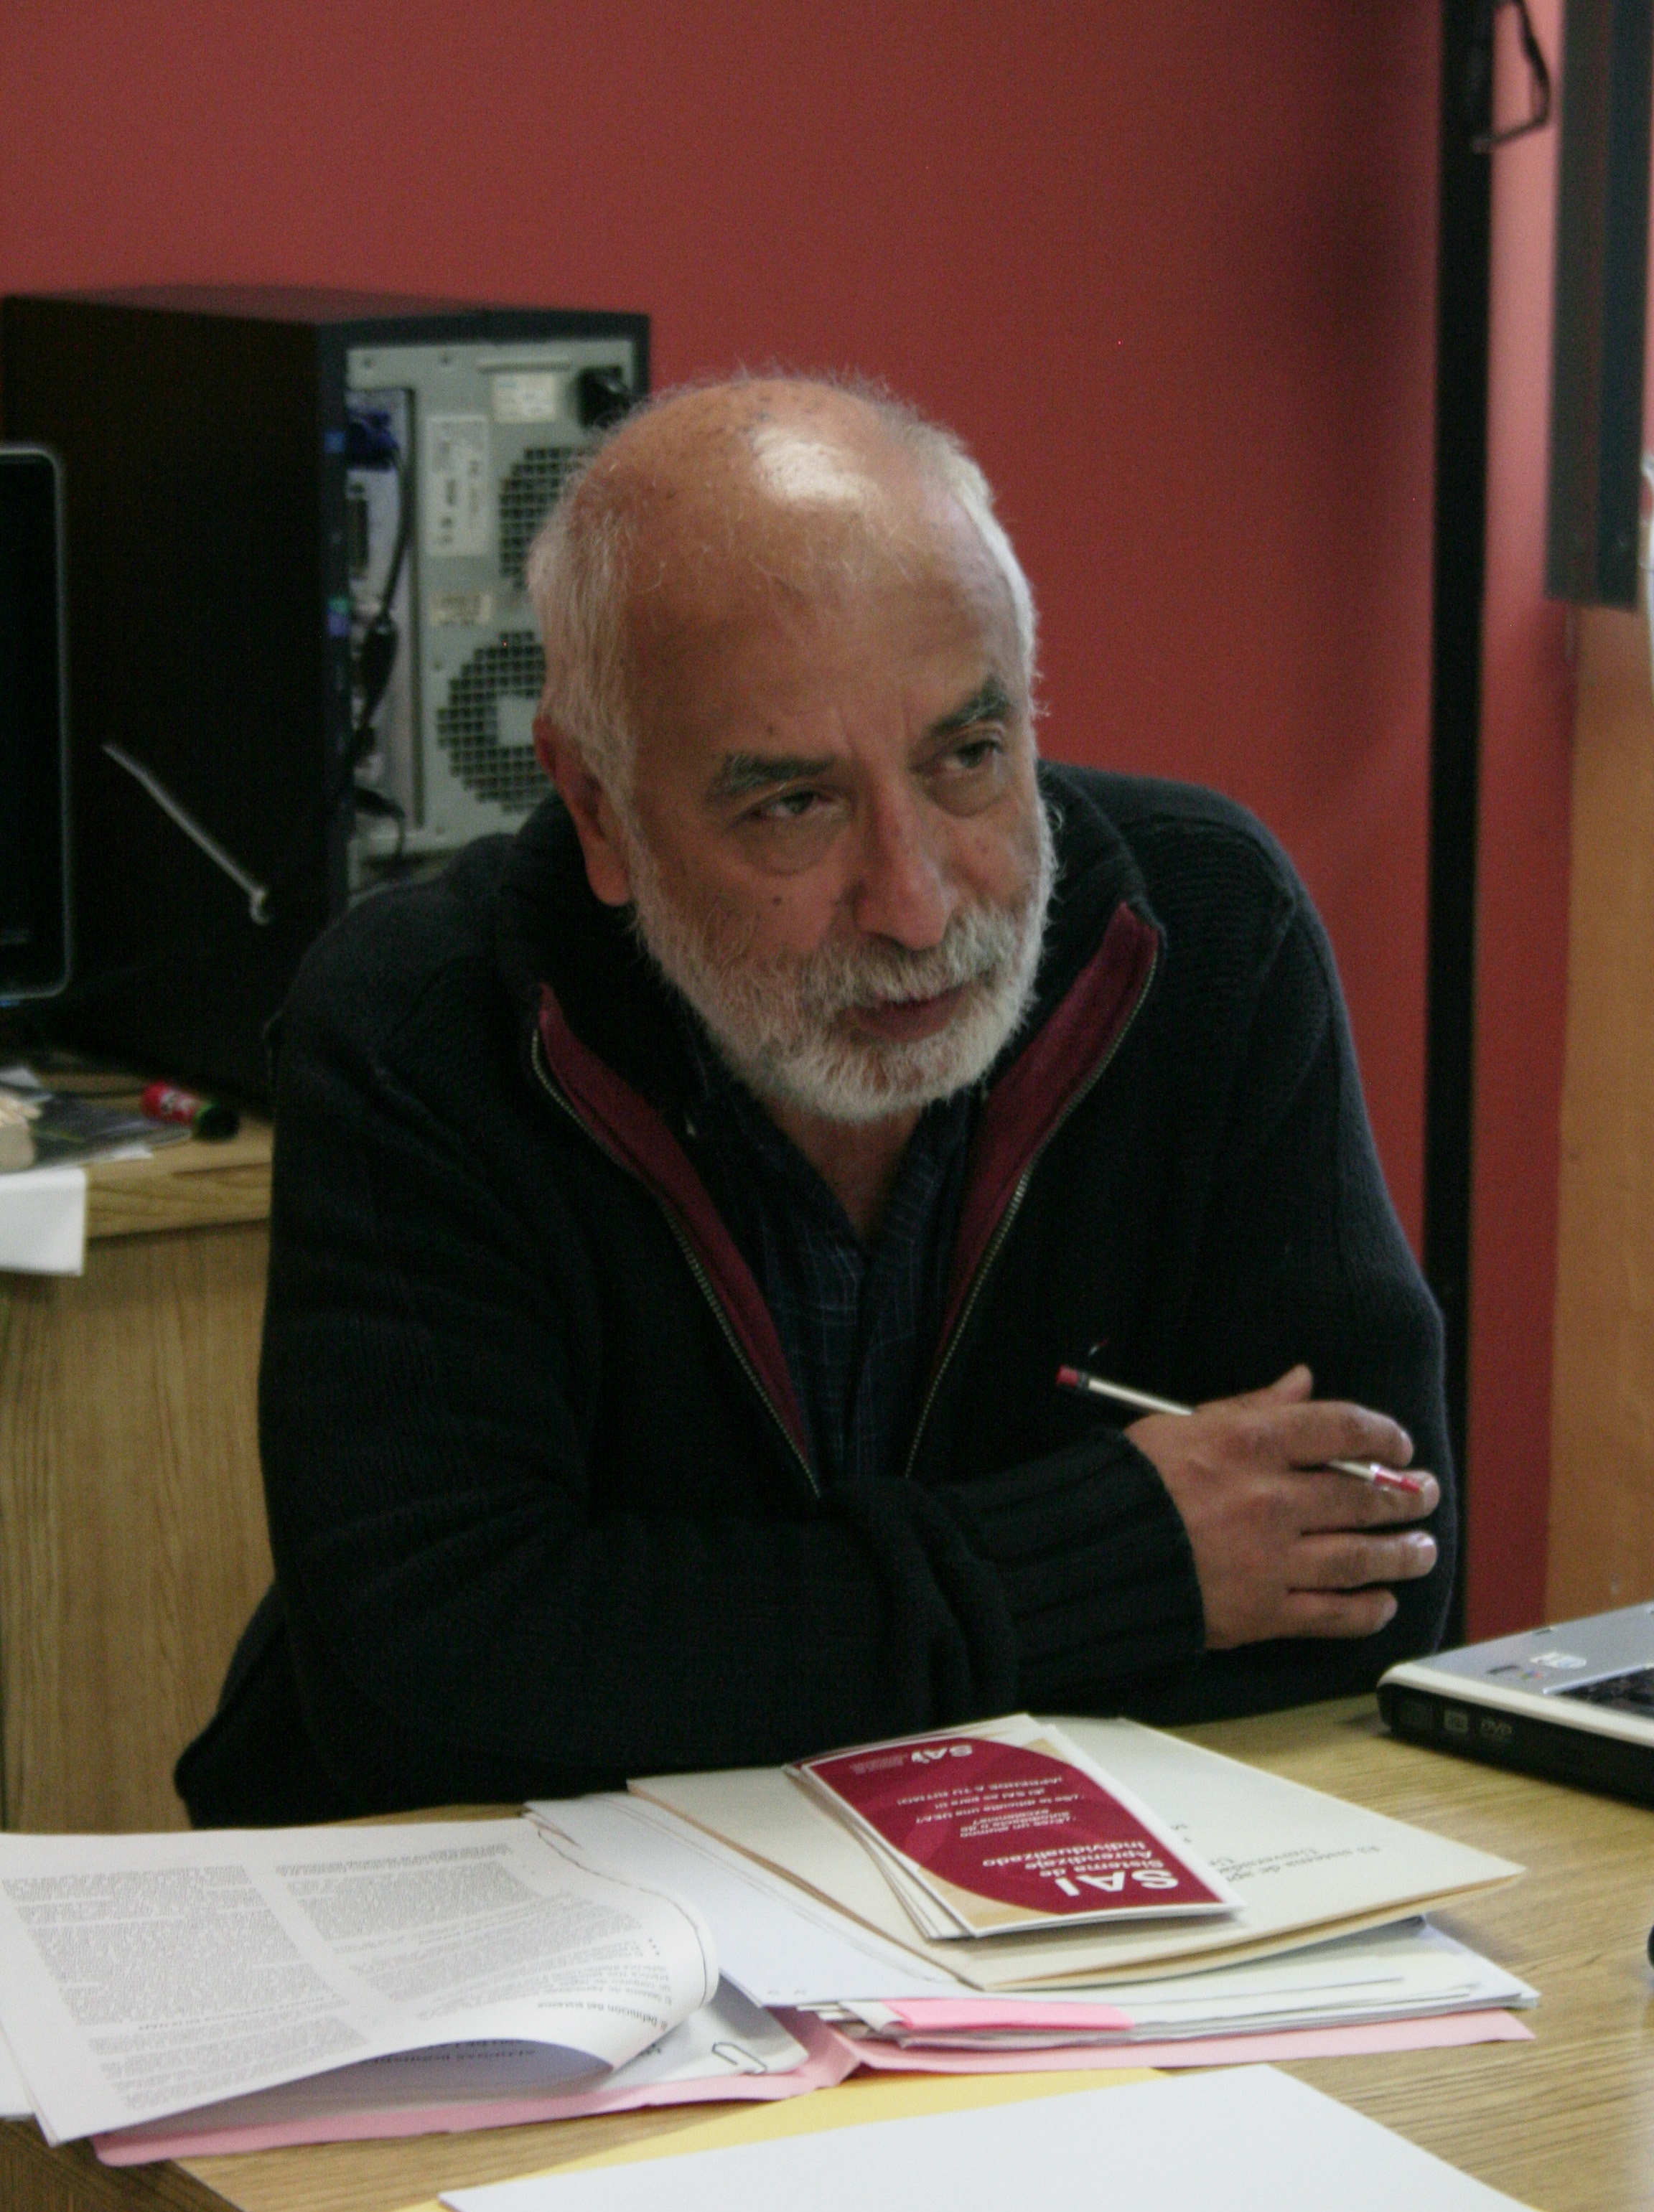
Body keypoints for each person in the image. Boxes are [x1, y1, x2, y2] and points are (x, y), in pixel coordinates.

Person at [177, 376, 1451, 1828]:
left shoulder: (1206, 934)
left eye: (967, 759)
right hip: (498, 1921)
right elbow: (431, 1694)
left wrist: (703, 1645)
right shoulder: (420, 1028)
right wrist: (1121, 1561)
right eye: (794, 804)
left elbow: (1370, 1575)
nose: (915, 905)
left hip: (1042, 1900)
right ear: (598, 808)